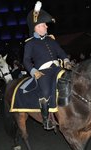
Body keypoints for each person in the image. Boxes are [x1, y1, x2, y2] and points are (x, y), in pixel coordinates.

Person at [23, 1, 70, 130]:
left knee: (71, 80)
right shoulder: (30, 43)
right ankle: (46, 120)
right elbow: (26, 60)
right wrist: (33, 71)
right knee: (45, 92)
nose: (46, 27)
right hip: (43, 72)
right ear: (36, 27)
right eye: (44, 25)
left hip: (58, 68)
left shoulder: (51, 40)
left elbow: (60, 52)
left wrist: (66, 59)